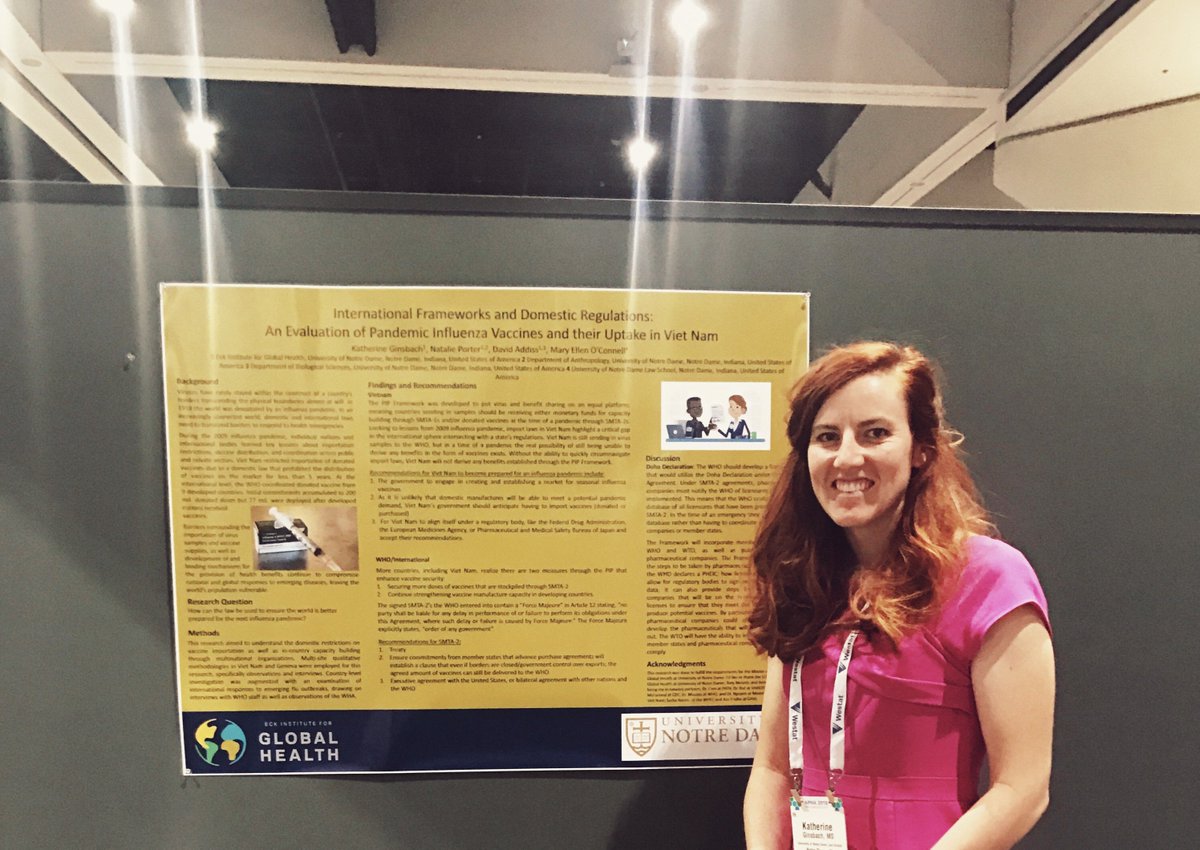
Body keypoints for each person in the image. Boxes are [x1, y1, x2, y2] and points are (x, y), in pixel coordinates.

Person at [743, 342, 1054, 850]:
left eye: (875, 433)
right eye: (827, 437)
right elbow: (773, 768)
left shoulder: (989, 578)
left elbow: (1022, 789)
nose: (847, 457)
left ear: (921, 448)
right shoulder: (804, 578)